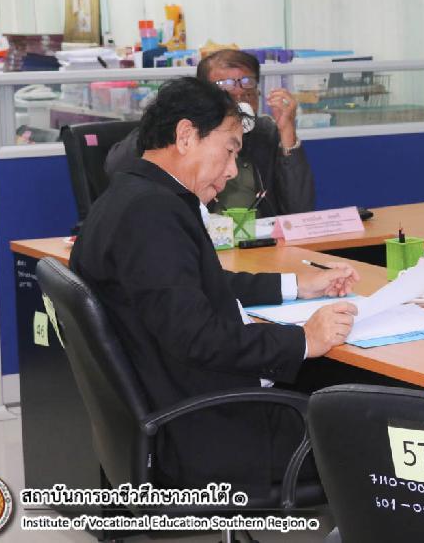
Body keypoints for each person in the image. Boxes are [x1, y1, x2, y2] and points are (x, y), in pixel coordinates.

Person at [72, 76, 358, 496]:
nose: (232, 170)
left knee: (339, 390)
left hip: (181, 412)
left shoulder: (131, 197)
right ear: (186, 136)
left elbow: (198, 286)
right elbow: (198, 338)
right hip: (215, 431)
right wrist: (303, 339)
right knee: (379, 420)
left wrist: (298, 285)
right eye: (229, 150)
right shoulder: (152, 215)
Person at [106, 49, 314, 216]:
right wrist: (167, 122)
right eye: (227, 93)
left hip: (259, 243)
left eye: (247, 91)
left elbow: (300, 209)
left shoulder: (265, 133)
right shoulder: (185, 135)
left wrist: (287, 132)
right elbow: (116, 167)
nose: (240, 99)